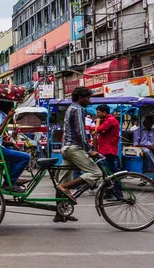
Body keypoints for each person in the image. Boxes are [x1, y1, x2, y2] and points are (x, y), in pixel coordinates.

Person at [54, 86, 103, 223]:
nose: (89, 100)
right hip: (74, 148)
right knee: (96, 173)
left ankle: (60, 213)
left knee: (63, 180)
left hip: (67, 148)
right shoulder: (79, 110)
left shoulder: (70, 108)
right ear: (80, 98)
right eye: (87, 98)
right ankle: (64, 188)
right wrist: (89, 150)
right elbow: (80, 132)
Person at [93, 104, 123, 200]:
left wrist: (97, 122)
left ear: (104, 113)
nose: (97, 115)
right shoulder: (107, 120)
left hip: (108, 149)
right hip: (105, 149)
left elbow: (98, 130)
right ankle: (109, 193)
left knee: (111, 173)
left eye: (98, 113)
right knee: (106, 173)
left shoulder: (110, 120)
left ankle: (118, 194)